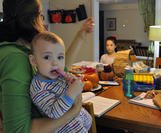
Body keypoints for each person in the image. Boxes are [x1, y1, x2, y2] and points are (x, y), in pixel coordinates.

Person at [0, 0, 94, 132]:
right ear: (34, 19)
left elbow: (57, 68)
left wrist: (81, 35)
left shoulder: (19, 48)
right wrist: (74, 111)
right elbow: (18, 130)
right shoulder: (15, 58)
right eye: (41, 16)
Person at [29, 31, 92, 132]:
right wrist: (72, 92)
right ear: (33, 61)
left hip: (81, 123)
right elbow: (54, 113)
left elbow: (72, 98)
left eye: (60, 57)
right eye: (47, 57)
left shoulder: (59, 77)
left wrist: (72, 82)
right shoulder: (38, 88)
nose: (55, 63)